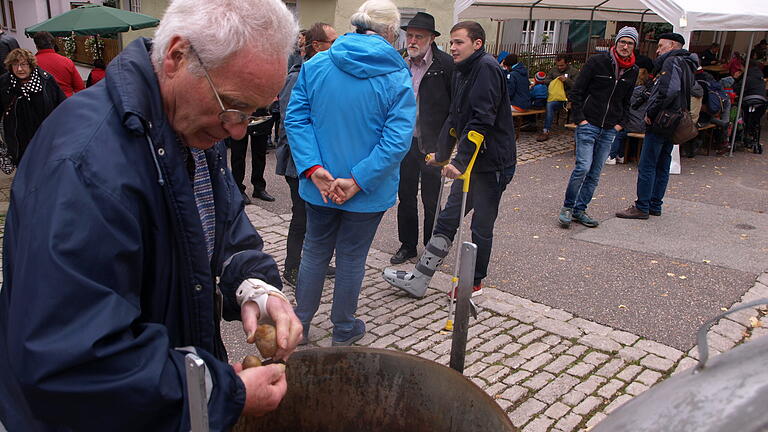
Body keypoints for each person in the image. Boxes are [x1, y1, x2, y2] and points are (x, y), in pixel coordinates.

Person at [0, 0, 304, 430]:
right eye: (233, 106)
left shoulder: (192, 123)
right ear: (177, 56)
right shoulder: (84, 168)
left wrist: (254, 285)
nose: (238, 130)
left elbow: (224, 224)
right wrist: (223, 394)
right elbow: (72, 364)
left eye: (253, 113)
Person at [285, 0, 415, 346]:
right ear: (390, 32)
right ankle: (343, 329)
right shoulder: (396, 74)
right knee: (352, 258)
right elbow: (397, 139)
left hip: (321, 185)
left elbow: (297, 120)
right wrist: (357, 180)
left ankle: (300, 324)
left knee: (314, 251)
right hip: (366, 190)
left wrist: (314, 170)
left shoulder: (317, 64)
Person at [384, 20, 516, 298]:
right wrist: (443, 155)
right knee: (447, 219)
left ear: (477, 44)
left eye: (459, 42)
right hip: (473, 163)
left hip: (493, 164)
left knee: (481, 225)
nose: (453, 47)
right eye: (452, 42)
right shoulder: (461, 71)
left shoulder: (487, 69)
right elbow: (455, 118)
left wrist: (459, 161)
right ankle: (420, 278)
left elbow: (482, 120)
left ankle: (473, 283)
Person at [276, 21, 338, 286]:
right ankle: (291, 269)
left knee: (317, 218)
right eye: (332, 43)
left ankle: (315, 263)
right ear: (317, 46)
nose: (337, 48)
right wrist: (308, 160)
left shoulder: (325, 74)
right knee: (301, 216)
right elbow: (291, 123)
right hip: (297, 163)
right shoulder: (297, 76)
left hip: (318, 161)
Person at [558, 27, 639, 229]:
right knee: (583, 167)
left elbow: (628, 101)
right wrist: (580, 119)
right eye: (623, 42)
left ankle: (580, 209)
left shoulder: (633, 70)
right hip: (589, 123)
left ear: (634, 46)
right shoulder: (598, 62)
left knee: (595, 172)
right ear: (616, 43)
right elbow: (577, 91)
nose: (625, 46)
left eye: (630, 43)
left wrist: (621, 123)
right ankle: (568, 207)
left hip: (610, 127)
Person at [390, 12, 453, 265]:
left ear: (431, 38)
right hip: (405, 142)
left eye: (419, 36)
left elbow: (454, 108)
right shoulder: (401, 63)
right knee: (405, 195)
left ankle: (430, 248)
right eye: (410, 36)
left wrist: (446, 144)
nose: (412, 41)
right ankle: (407, 245)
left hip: (432, 144)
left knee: (431, 198)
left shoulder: (445, 65)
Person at [616, 32, 696, 220]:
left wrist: (651, 112)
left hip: (662, 119)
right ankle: (654, 204)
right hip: (675, 119)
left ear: (673, 45)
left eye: (661, 46)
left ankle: (642, 205)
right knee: (662, 163)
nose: (658, 50)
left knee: (648, 164)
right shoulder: (687, 63)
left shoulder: (672, 62)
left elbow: (669, 90)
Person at [0, 48, 65, 165]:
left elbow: (62, 107)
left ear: (31, 65)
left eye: (23, 64)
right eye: (15, 65)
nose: (19, 69)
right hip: (19, 141)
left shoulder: (46, 81)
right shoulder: (5, 83)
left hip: (45, 138)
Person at [228, 106, 275, 204]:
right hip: (239, 113)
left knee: (260, 154)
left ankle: (259, 188)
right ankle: (238, 189)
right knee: (238, 155)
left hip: (260, 113)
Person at [606, 68, 653, 164]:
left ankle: (612, 155)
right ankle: (622, 155)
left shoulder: (632, 92)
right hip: (643, 125)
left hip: (631, 124)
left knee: (618, 133)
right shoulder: (649, 93)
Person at [536, 53, 578, 141]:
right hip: (554, 96)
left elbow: (577, 86)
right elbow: (546, 80)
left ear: (567, 63)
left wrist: (567, 81)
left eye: (562, 65)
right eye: (558, 65)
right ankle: (545, 131)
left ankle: (546, 129)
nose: (559, 67)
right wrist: (555, 80)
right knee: (547, 104)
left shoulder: (574, 72)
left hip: (566, 98)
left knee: (550, 105)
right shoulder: (553, 70)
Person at [32, 32, 85, 97]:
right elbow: (80, 87)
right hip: (66, 101)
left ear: (36, 46)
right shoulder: (67, 61)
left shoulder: (32, 63)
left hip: (43, 103)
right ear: (53, 44)